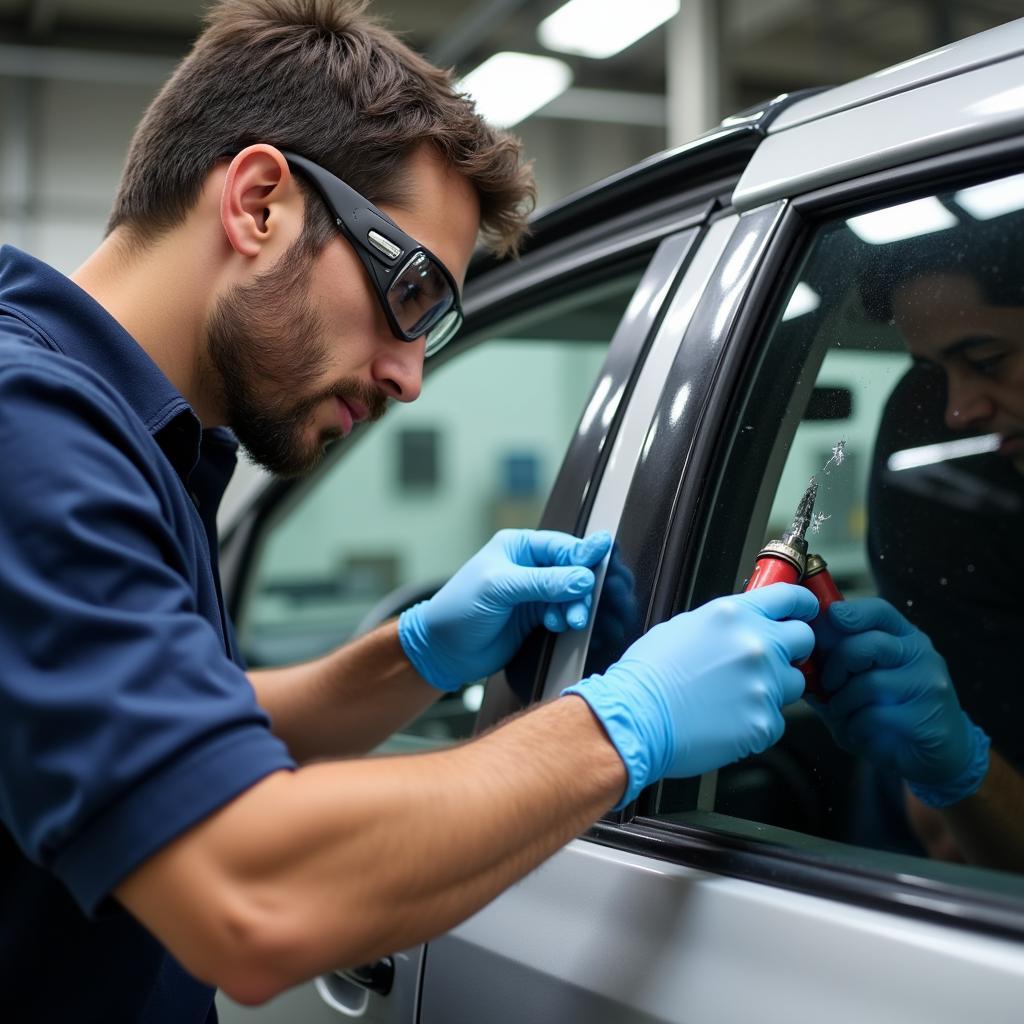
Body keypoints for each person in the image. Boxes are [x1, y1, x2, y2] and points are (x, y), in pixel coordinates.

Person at [0, 2, 818, 1018]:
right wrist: (621, 725)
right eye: (412, 293)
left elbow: (173, 750)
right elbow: (250, 896)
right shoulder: (27, 425)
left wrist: (414, 653)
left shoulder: (139, 438)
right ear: (260, 204)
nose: (409, 377)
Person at [809, 226, 1024, 872]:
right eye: (933, 373)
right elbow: (945, 833)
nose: (956, 413)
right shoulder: (933, 475)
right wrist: (960, 779)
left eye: (986, 360)